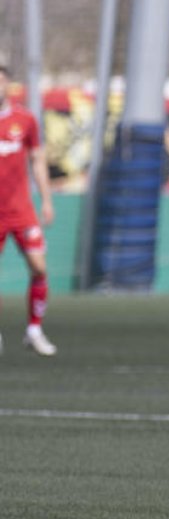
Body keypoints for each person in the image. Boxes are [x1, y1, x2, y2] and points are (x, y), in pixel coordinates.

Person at [0, 65, 57, 356]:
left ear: (8, 84)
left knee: (39, 267)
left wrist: (46, 200)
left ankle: (34, 330)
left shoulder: (25, 119)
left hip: (21, 210)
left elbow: (37, 159)